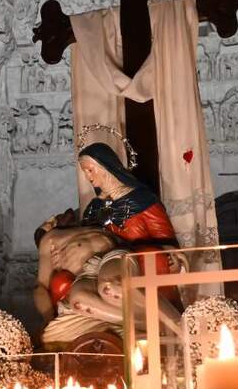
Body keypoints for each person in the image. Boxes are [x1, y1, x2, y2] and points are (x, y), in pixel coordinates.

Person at [34, 143, 180, 347]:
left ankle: (172, 324)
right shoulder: (53, 241)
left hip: (113, 258)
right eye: (85, 172)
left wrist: (168, 252)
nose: (88, 176)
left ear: (105, 167)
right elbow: (40, 286)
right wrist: (47, 315)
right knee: (78, 302)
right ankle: (154, 325)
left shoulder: (94, 217)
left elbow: (164, 238)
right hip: (86, 275)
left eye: (90, 170)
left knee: (109, 288)